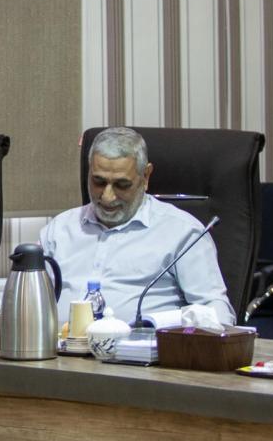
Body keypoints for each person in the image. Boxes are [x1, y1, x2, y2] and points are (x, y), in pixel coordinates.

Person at [39, 127, 235, 325]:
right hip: (59, 344)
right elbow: (30, 303)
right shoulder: (58, 230)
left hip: (146, 344)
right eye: (98, 182)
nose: (107, 196)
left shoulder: (183, 233)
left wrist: (170, 324)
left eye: (122, 185)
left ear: (146, 176)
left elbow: (218, 314)